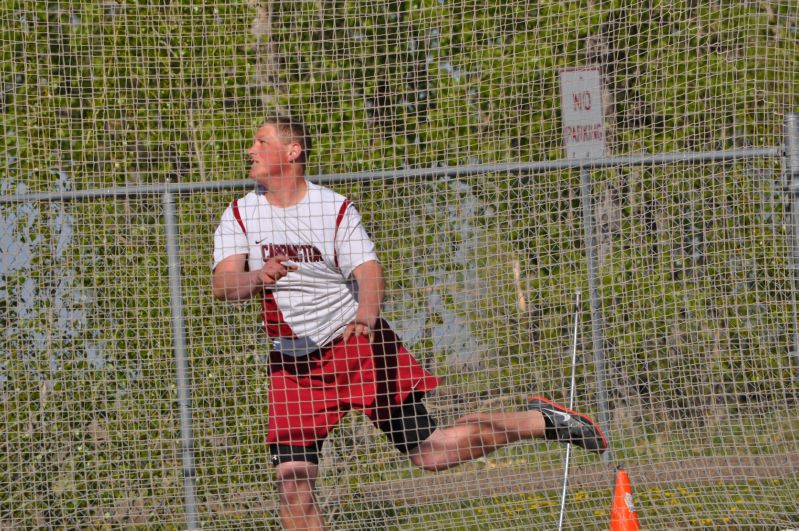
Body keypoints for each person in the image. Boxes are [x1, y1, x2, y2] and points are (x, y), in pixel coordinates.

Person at [212, 114, 608, 530]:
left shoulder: (332, 209)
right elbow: (223, 283)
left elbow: (368, 269)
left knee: (431, 453)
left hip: (356, 346)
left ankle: (540, 421)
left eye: (260, 142)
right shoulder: (241, 214)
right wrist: (256, 276)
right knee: (293, 486)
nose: (250, 150)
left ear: (291, 152)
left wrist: (367, 313)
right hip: (294, 368)